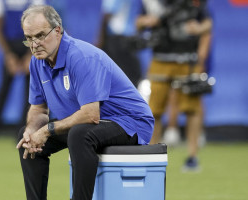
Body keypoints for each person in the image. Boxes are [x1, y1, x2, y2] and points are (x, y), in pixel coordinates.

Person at [16, 5, 154, 200]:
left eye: (40, 35)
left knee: (80, 134)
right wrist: (32, 131)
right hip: (90, 125)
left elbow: (90, 114)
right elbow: (38, 109)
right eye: (29, 38)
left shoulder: (81, 57)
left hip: (130, 122)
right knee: (25, 137)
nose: (34, 44)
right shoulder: (37, 61)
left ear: (58, 31)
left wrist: (46, 130)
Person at [137, 0, 212, 171]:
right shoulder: (152, 1)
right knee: (153, 109)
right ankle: (151, 155)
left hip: (187, 59)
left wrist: (199, 29)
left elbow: (207, 22)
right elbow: (139, 22)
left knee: (192, 109)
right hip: (160, 59)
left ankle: (193, 157)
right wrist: (148, 21)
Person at [0, 0, 45, 146]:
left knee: (31, 95)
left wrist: (32, 55)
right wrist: (8, 55)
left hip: (30, 46)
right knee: (3, 91)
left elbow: (41, 28)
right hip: (10, 47)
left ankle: (25, 135)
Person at [97, 0, 145, 87]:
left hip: (124, 42)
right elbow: (106, 14)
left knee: (127, 78)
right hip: (120, 41)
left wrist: (100, 40)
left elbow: (106, 14)